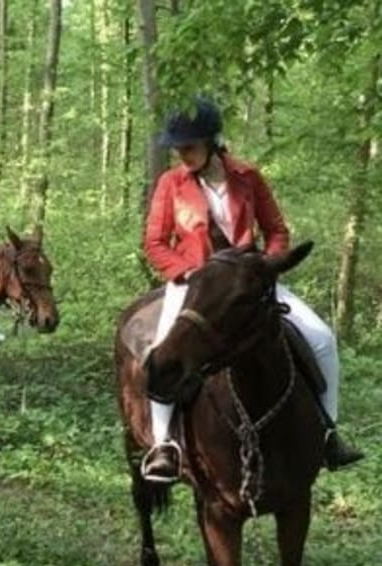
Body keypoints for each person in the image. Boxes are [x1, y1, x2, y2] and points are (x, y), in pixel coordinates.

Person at [141, 96, 364, 482]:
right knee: (161, 349)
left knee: (323, 339)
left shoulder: (248, 176)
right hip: (196, 285)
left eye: (189, 146)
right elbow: (155, 243)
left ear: (212, 141)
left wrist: (266, 266)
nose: (182, 154)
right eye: (178, 147)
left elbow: (277, 231)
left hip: (249, 282)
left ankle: (328, 432)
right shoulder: (170, 183)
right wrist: (189, 274)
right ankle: (164, 445)